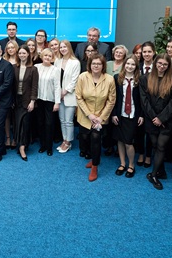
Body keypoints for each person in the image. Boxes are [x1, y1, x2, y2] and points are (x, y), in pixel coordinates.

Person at [140, 54, 172, 190]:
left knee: (161, 146)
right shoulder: (145, 79)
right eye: (160, 63)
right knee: (155, 145)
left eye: (165, 64)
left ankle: (153, 175)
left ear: (168, 66)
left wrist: (161, 118)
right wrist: (154, 118)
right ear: (155, 63)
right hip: (151, 119)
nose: (162, 66)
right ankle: (161, 171)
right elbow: (144, 101)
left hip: (167, 120)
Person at [75, 54, 116, 182]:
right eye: (94, 63)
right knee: (85, 138)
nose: (96, 66)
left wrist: (101, 118)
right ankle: (94, 158)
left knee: (95, 138)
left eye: (99, 63)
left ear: (103, 65)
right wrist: (89, 114)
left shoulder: (109, 79)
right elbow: (79, 97)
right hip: (85, 115)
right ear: (90, 65)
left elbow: (111, 101)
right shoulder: (82, 77)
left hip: (100, 117)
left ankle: (95, 166)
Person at [111, 56, 143, 178]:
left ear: (136, 67)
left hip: (133, 114)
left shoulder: (140, 80)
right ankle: (122, 163)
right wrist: (114, 113)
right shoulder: (117, 78)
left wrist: (141, 115)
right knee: (120, 140)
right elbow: (113, 98)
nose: (130, 66)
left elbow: (143, 100)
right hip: (120, 114)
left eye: (133, 64)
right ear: (124, 65)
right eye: (128, 64)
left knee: (128, 142)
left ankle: (131, 165)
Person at [12, 45, 38, 161]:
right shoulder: (14, 67)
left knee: (25, 124)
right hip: (16, 101)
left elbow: (34, 87)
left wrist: (32, 101)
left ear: (28, 54)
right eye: (20, 53)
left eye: (24, 53)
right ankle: (18, 142)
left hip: (27, 101)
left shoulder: (33, 69)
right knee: (17, 123)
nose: (22, 55)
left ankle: (22, 147)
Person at [55, 40, 80, 153]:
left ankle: (68, 142)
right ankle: (64, 140)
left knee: (68, 121)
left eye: (65, 47)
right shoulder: (58, 61)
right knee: (62, 120)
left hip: (69, 95)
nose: (63, 49)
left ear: (69, 48)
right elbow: (55, 78)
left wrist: (64, 92)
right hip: (58, 95)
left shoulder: (75, 62)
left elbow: (75, 80)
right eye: (61, 47)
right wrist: (58, 93)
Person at [35, 48, 61, 156]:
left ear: (52, 58)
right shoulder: (36, 67)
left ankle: (49, 147)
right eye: (45, 55)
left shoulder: (55, 70)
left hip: (50, 101)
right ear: (42, 56)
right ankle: (43, 145)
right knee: (40, 123)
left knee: (49, 124)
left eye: (50, 56)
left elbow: (57, 87)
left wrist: (57, 102)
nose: (47, 57)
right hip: (38, 100)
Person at [136, 41, 156, 168]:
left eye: (149, 51)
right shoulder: (137, 66)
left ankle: (148, 155)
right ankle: (141, 153)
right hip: (138, 103)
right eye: (144, 52)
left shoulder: (158, 67)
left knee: (149, 132)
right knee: (139, 131)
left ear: (154, 52)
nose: (147, 54)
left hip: (152, 105)